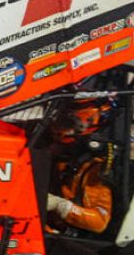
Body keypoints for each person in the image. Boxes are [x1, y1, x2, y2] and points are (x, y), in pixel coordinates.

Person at [44, 97, 114, 233]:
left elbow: (99, 222)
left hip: (66, 237)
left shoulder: (95, 167)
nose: (58, 128)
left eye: (65, 123)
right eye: (58, 120)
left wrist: (60, 205)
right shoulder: (63, 154)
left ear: (85, 125)